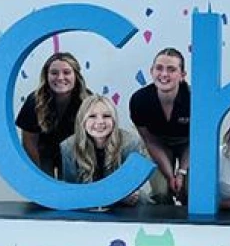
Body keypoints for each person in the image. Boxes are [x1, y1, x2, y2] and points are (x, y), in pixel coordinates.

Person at [58, 94, 151, 206]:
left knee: (141, 198)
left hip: (123, 203)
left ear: (114, 120)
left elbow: (130, 187)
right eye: (92, 116)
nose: (100, 122)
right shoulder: (68, 146)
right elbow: (71, 189)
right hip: (86, 203)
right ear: (82, 120)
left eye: (106, 116)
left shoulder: (131, 143)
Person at [129, 48, 190, 204]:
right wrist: (170, 176)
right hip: (158, 143)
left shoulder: (195, 99)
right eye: (159, 68)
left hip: (189, 144)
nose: (164, 74)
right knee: (162, 192)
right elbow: (150, 141)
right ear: (151, 71)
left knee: (188, 192)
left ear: (182, 75)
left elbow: (198, 140)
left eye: (171, 69)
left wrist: (181, 173)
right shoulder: (139, 100)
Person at [16, 52, 90, 177]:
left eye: (66, 72)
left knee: (71, 192)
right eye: (54, 73)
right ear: (46, 76)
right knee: (44, 193)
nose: (60, 78)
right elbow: (29, 141)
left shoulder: (88, 100)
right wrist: (40, 175)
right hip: (42, 152)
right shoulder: (34, 100)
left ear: (76, 76)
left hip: (74, 152)